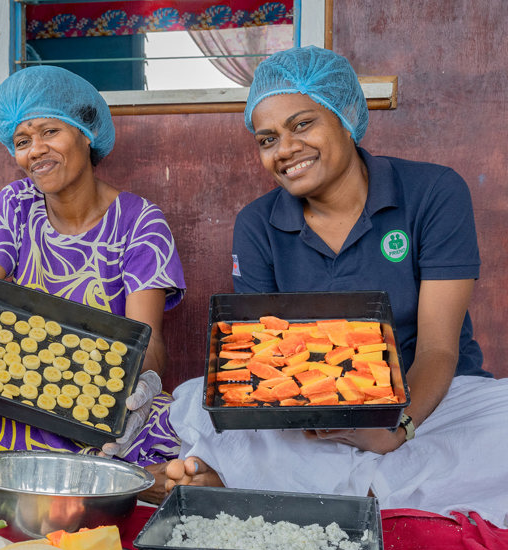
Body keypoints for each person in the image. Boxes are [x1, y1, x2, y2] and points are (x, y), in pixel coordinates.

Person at [165, 46, 508, 525]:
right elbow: (267, 359)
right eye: (267, 139)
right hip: (313, 409)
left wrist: (398, 426)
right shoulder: (258, 224)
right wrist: (308, 414)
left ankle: (277, 488)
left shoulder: (433, 192)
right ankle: (384, 492)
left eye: (302, 125)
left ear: (346, 116)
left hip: (433, 398)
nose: (284, 149)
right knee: (193, 402)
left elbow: (438, 350)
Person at [0, 66, 187, 502]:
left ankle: (33, 478)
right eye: (22, 141)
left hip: (95, 392)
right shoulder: (17, 203)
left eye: (49, 132)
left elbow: (148, 341)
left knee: (174, 425)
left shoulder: (141, 223)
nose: (35, 151)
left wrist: (140, 381)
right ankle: (76, 482)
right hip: (9, 380)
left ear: (86, 132)